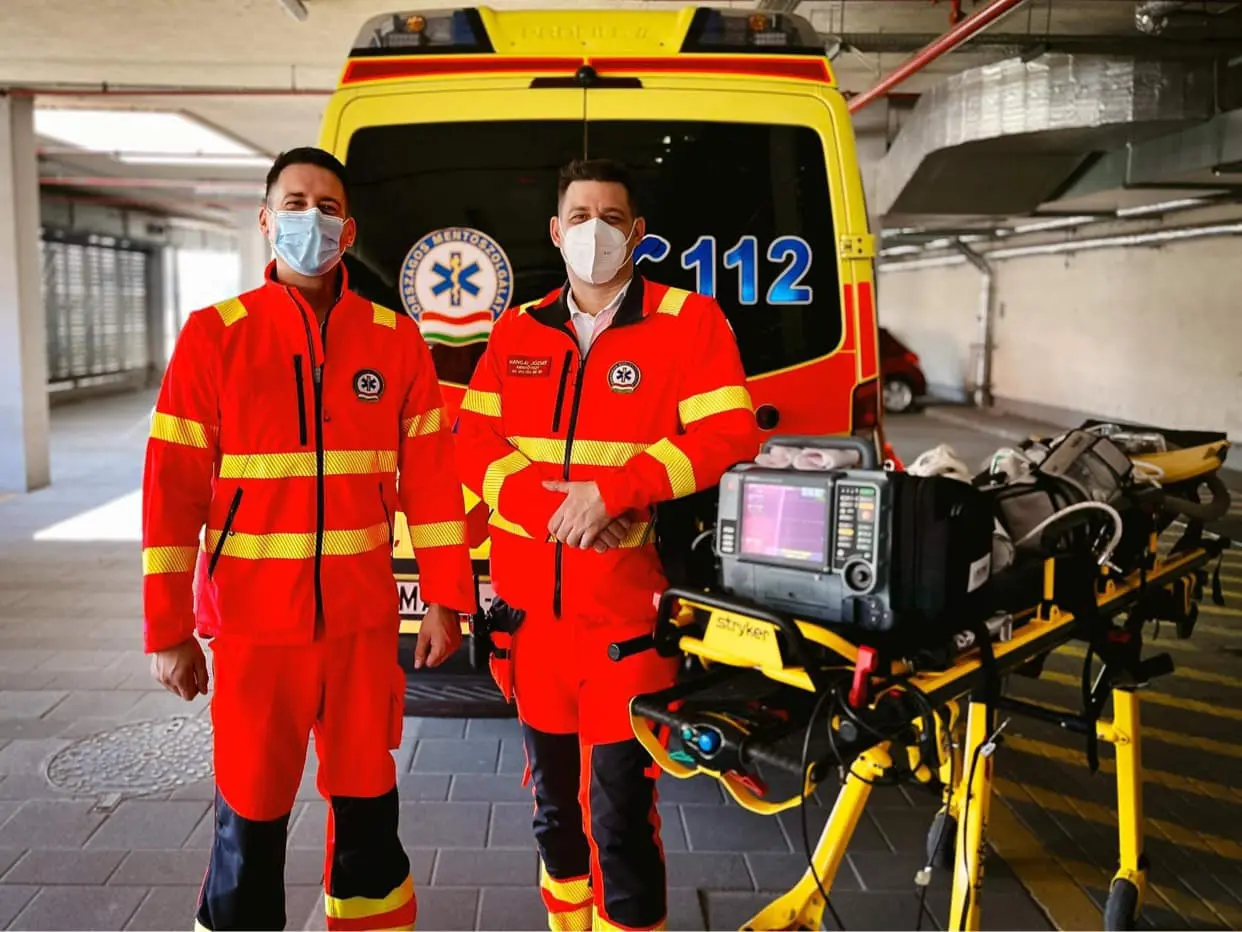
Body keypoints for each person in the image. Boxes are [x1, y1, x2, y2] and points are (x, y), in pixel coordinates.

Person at [141, 147, 475, 932]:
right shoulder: (214, 336)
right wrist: (168, 630)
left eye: (327, 207)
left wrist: (446, 599)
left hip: (362, 630)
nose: (311, 219)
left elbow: (432, 484)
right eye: (295, 203)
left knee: (368, 815)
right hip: (254, 634)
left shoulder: (395, 339)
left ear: (348, 230)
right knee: (250, 820)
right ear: (266, 220)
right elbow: (170, 494)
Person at [454, 158, 759, 932]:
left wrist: (615, 493)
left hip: (628, 623)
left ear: (638, 233)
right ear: (557, 232)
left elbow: (730, 432)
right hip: (531, 625)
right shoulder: (518, 329)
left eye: (613, 218)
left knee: (618, 817)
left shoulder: (689, 320)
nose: (596, 231)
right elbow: (472, 443)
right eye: (581, 217)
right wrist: (550, 508)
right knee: (555, 814)